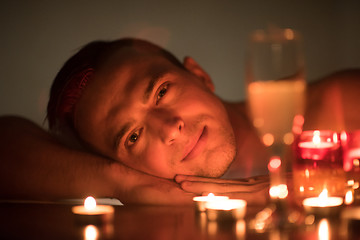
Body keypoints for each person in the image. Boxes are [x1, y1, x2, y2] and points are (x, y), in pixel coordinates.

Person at [1, 38, 359, 205]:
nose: (169, 127)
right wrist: (126, 185)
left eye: (160, 92)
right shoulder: (142, 185)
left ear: (199, 75)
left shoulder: (339, 106)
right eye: (133, 137)